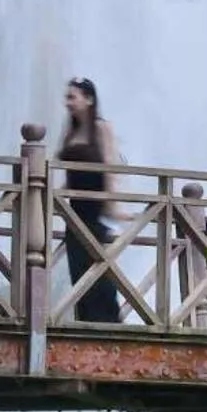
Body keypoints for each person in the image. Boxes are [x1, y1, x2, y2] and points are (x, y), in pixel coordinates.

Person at [56, 77, 122, 323]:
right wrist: (53, 196)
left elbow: (110, 168)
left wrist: (112, 205)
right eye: (67, 97)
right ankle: (85, 322)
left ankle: (108, 325)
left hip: (94, 208)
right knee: (79, 271)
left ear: (89, 99)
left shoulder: (102, 128)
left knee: (98, 270)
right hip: (74, 212)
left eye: (72, 97)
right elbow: (69, 174)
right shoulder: (70, 131)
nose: (68, 102)